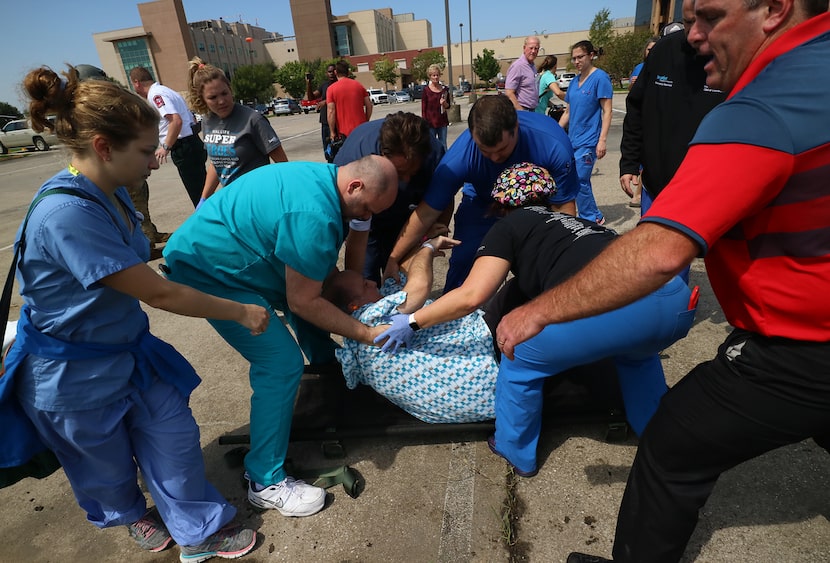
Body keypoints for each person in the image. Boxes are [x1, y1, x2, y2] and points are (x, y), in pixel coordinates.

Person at [492, 3, 830, 562]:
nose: (691, 36)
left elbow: (658, 253)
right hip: (679, 311)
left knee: (672, 445)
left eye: (710, 17)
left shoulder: (762, 106)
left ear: (773, 10)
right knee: (638, 358)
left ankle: (520, 456)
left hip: (800, 343)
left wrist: (538, 312)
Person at [4, 64, 270, 561]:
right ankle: (130, 513)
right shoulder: (67, 215)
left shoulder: (111, 191)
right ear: (104, 147)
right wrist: (240, 310)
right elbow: (159, 295)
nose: (155, 162)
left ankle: (197, 529)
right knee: (104, 467)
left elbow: (133, 261)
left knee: (173, 436)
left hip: (125, 351)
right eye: (146, 151)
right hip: (71, 374)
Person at [375, 162, 694, 476]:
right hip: (674, 300)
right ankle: (659, 438)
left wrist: (413, 321)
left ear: (502, 206)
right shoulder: (578, 224)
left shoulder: (510, 226)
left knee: (520, 349)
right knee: (635, 358)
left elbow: (472, 295)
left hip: (626, 306)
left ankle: (513, 448)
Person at [161, 155, 398, 517]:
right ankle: (265, 480)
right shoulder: (315, 216)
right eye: (364, 208)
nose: (363, 217)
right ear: (355, 187)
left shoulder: (322, 178)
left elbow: (310, 292)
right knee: (280, 362)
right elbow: (303, 302)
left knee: (313, 314)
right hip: (209, 272)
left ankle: (330, 380)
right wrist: (366, 333)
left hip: (229, 254)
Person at [383, 94, 579, 293]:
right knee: (465, 256)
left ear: (515, 129)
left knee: (542, 261)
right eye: (485, 151)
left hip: (535, 204)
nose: (494, 158)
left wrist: (562, 256)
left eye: (502, 150)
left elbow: (563, 208)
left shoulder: (553, 144)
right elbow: (426, 213)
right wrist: (393, 257)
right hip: (483, 202)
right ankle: (454, 315)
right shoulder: (459, 157)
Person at [322, 234, 500, 424]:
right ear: (354, 306)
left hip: (467, 403)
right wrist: (428, 247)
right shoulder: (371, 317)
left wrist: (416, 246)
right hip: (480, 372)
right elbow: (419, 287)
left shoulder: (358, 331)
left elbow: (403, 275)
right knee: (510, 297)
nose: (373, 282)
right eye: (365, 285)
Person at [620, 1, 725, 221]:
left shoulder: (730, 54)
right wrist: (629, 162)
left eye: (703, 21)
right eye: (688, 22)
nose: (695, 31)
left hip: (709, 190)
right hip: (656, 187)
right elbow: (636, 107)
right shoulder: (663, 50)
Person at [334, 112, 446, 284]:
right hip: (365, 218)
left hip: (405, 216)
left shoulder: (432, 152)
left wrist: (426, 238)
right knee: (365, 277)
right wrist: (356, 286)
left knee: (400, 278)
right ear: (382, 157)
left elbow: (441, 202)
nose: (407, 180)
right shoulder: (354, 159)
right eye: (400, 174)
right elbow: (353, 235)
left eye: (413, 172)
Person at [186, 58, 288, 208]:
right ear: (202, 99)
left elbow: (283, 165)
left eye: (224, 93)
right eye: (213, 97)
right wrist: (204, 199)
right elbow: (217, 164)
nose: (221, 101)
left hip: (260, 200)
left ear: (230, 89)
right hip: (232, 201)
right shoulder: (208, 121)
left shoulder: (253, 119)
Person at [130, 66, 207, 207]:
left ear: (137, 83)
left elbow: (176, 121)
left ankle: (210, 225)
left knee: (198, 195)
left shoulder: (156, 95)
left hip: (184, 147)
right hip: (191, 142)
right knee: (204, 191)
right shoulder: (167, 91)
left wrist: (166, 146)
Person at [559, 40, 613, 225]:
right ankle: (593, 213)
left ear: (591, 55)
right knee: (576, 180)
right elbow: (568, 111)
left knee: (580, 179)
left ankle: (591, 218)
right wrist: (555, 132)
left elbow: (607, 111)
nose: (576, 61)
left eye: (580, 57)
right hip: (572, 140)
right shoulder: (574, 81)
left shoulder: (600, 78)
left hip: (589, 140)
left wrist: (602, 140)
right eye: (574, 58)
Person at [623, 36, 658, 209]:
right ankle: (639, 194)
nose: (651, 52)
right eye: (649, 49)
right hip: (641, 118)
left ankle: (639, 195)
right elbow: (632, 93)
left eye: (654, 48)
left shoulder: (666, 66)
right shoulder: (640, 68)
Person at [326, 60, 372, 150]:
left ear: (335, 72)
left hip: (344, 134)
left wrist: (332, 132)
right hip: (361, 130)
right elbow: (369, 105)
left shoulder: (331, 89)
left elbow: (331, 111)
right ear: (348, 72)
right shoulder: (359, 85)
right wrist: (366, 121)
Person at [305, 64, 338, 158]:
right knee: (328, 152)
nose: (331, 73)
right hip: (325, 122)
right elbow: (311, 97)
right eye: (329, 71)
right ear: (326, 73)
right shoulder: (324, 85)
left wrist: (326, 102)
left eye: (333, 71)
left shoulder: (339, 84)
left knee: (338, 150)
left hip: (338, 122)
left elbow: (340, 98)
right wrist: (308, 84)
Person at [504, 36, 541, 111]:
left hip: (532, 110)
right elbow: (509, 92)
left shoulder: (532, 66)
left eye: (536, 48)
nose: (533, 51)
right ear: (524, 48)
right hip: (522, 110)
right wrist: (522, 112)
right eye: (531, 48)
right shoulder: (518, 66)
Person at [421, 64, 450, 150]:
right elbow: (424, 109)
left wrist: (444, 103)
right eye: (434, 75)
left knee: (443, 145)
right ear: (430, 76)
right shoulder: (426, 90)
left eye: (437, 75)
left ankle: (444, 162)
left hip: (442, 122)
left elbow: (448, 106)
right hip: (430, 123)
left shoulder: (445, 90)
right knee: (431, 146)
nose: (436, 77)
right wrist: (424, 123)